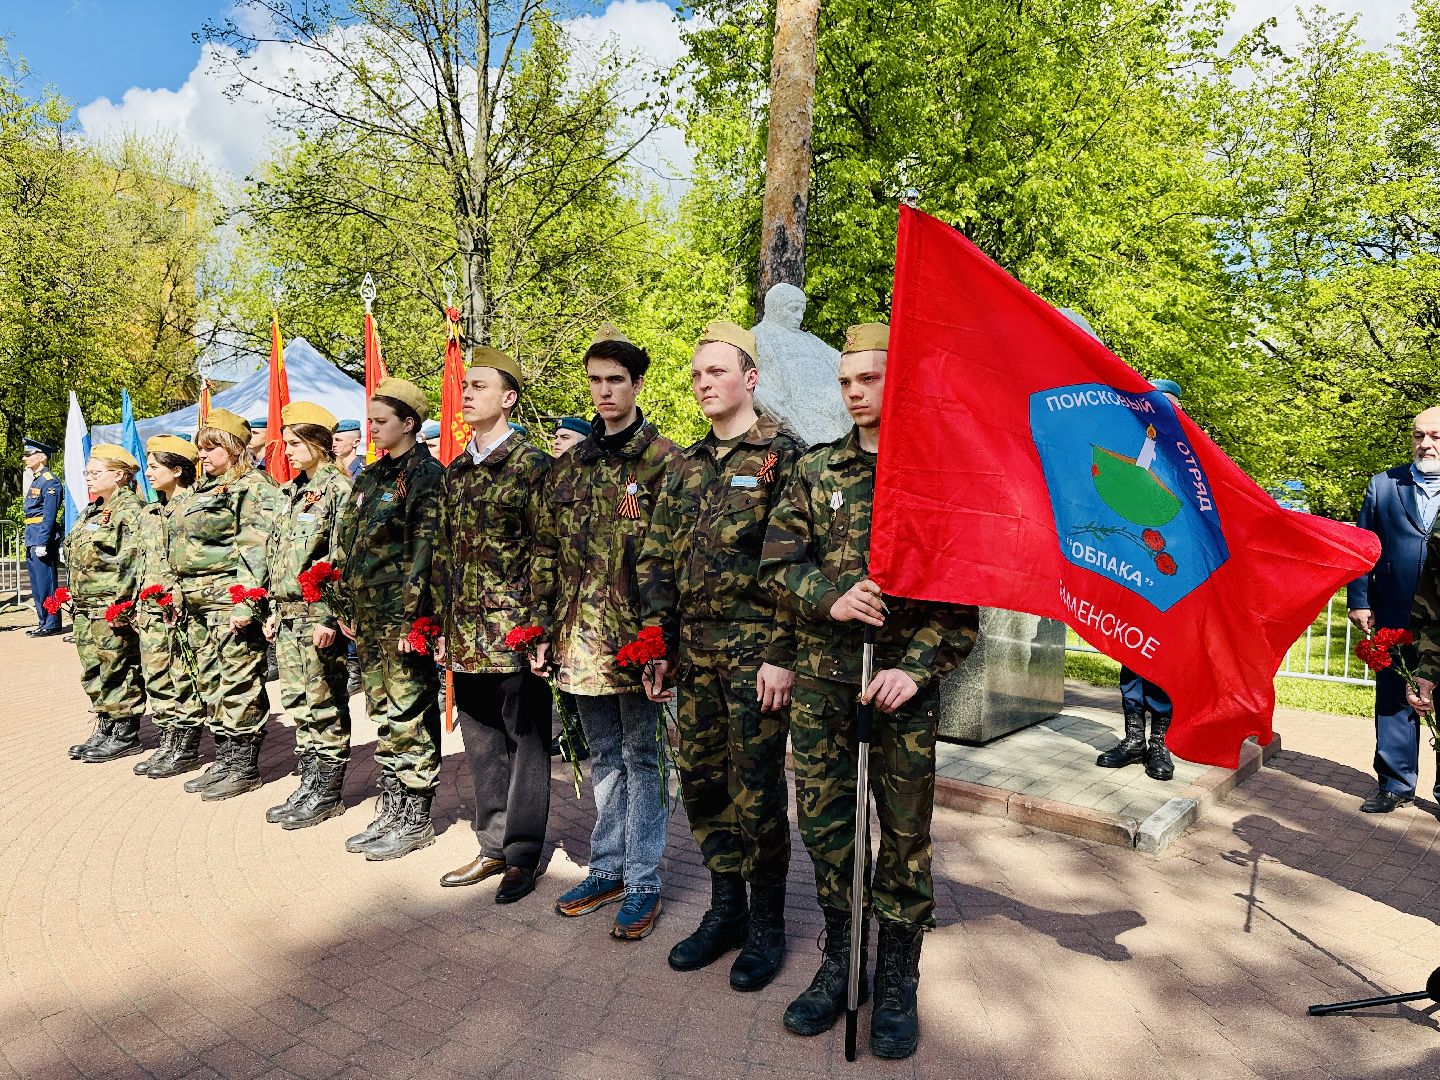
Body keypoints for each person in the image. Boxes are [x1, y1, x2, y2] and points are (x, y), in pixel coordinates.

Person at [760, 322, 979, 1059]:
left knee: (905, 836)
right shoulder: (816, 470)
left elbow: (958, 608)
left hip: (900, 694)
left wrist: (912, 667)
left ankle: (896, 976)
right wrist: (830, 597)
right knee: (827, 828)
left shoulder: (935, 479)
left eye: (870, 380)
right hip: (826, 682)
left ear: (900, 383)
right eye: (846, 381)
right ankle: (840, 961)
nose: (854, 392)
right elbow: (779, 567)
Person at [637, 319, 802, 991]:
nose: (704, 383)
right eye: (698, 374)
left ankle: (766, 927)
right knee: (703, 784)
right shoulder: (686, 465)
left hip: (755, 658)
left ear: (750, 379)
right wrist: (657, 642)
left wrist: (784, 653)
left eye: (717, 372)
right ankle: (725, 910)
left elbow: (800, 562)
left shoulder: (783, 459)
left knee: (756, 791)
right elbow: (654, 558)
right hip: (694, 657)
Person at [531, 324, 682, 941]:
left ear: (638, 383)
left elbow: (675, 559)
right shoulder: (574, 466)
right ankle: (610, 866)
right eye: (594, 381)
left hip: (636, 644)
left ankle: (643, 879)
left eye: (615, 380)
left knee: (644, 760)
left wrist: (662, 642)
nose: (603, 392)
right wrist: (541, 627)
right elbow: (547, 552)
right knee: (605, 760)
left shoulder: (664, 461)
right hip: (581, 643)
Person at [432, 347, 553, 902]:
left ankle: (522, 856)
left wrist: (541, 630)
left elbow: (549, 554)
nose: (467, 394)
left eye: (479, 386)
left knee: (525, 743)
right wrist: (437, 626)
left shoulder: (533, 466)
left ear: (507, 398)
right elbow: (442, 555)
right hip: (465, 635)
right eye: (466, 386)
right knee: (482, 745)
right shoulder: (456, 470)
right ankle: (491, 845)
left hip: (515, 637)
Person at [333, 377, 445, 860]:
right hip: (367, 618)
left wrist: (409, 621)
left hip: (400, 620)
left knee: (409, 713)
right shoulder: (371, 477)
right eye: (372, 421)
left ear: (410, 423)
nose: (372, 429)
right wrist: (343, 607)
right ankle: (394, 804)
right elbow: (348, 545)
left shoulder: (426, 477)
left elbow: (425, 553)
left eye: (381, 421)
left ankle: (415, 815)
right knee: (382, 712)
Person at [168, 409, 282, 800]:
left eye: (211, 447)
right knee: (211, 682)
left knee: (238, 681)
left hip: (227, 600)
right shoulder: (204, 488)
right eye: (201, 447)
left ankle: (244, 765)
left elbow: (257, 548)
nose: (202, 454)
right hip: (197, 599)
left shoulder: (253, 487)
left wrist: (246, 604)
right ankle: (225, 756)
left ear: (234, 448)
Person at [262, 402, 354, 829]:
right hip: (288, 615)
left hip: (316, 615)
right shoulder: (292, 491)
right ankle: (309, 780)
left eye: (296, 442)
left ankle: (327, 790)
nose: (288, 450)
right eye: (286, 442)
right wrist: (272, 609)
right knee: (299, 703)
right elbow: (278, 555)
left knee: (324, 703)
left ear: (319, 444)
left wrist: (327, 615)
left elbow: (340, 558)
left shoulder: (339, 490)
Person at [1349, 406, 1440, 813]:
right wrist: (1359, 600)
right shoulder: (1384, 485)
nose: (1426, 444)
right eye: (1420, 435)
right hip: (1393, 610)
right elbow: (1362, 548)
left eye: (1436, 436)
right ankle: (1394, 783)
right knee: (1393, 697)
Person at [1094, 377, 1183, 782]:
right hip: (1136, 571)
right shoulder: (1139, 446)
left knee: (1163, 660)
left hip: (1174, 577)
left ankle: (1159, 744)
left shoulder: (1191, 457)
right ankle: (1133, 740)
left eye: (1166, 407)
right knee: (1133, 653)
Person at [64, 445, 148, 763]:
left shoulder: (131, 510)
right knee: (93, 670)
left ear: (118, 475)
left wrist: (123, 605)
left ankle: (126, 732)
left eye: (95, 472)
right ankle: (106, 724)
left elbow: (133, 562)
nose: (88, 478)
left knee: (119, 669)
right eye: (88, 472)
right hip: (86, 607)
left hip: (110, 606)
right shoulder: (93, 510)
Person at [132, 436, 207, 778]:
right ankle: (167, 741)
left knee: (184, 675)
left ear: (178, 470)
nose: (148, 472)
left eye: (154, 466)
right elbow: (142, 563)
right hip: (151, 608)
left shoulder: (197, 507)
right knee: (156, 676)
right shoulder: (149, 512)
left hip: (183, 607)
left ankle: (186, 746)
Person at [547, 415, 591, 760]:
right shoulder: (551, 481)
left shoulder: (589, 480)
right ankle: (570, 734)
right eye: (555, 436)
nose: (556, 442)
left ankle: (577, 738)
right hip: (557, 600)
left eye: (565, 436)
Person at [22, 438, 64, 637]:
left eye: (29, 455)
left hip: (41, 537)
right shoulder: (37, 480)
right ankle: (43, 620)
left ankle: (52, 622)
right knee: (37, 585)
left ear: (42, 457)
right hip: (32, 535)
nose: (25, 458)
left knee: (46, 582)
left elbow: (48, 515)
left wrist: (42, 541)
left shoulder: (50, 481)